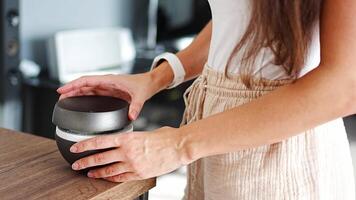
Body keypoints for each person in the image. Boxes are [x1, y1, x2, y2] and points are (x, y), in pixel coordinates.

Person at [57, 0, 356, 199]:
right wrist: (156, 78)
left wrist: (178, 144)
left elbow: (345, 86)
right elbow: (241, 17)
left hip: (281, 151)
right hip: (215, 137)